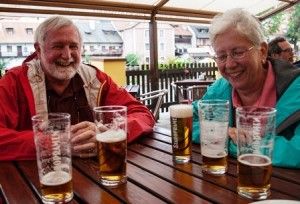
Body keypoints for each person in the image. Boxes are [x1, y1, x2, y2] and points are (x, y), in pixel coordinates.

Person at [0, 16, 155, 160]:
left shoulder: (96, 79)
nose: (67, 55)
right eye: (58, 46)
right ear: (38, 50)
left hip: (94, 179)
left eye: (73, 46)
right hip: (34, 182)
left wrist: (108, 133)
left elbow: (142, 114)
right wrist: (54, 143)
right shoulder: (13, 82)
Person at [192, 8, 300, 168]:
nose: (229, 64)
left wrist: (237, 144)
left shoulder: (295, 88)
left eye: (238, 52)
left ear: (262, 52)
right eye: (221, 56)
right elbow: (189, 121)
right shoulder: (220, 89)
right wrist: (224, 133)